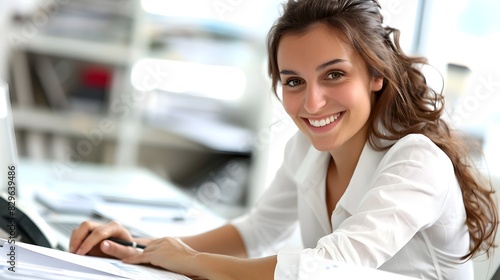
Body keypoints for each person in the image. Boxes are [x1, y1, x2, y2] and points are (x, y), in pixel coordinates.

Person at [69, 0, 498, 279]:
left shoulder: (416, 161)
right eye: (294, 81)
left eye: (334, 74)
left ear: (375, 76)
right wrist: (134, 246)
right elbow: (257, 232)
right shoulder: (306, 149)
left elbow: (330, 269)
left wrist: (190, 261)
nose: (312, 103)